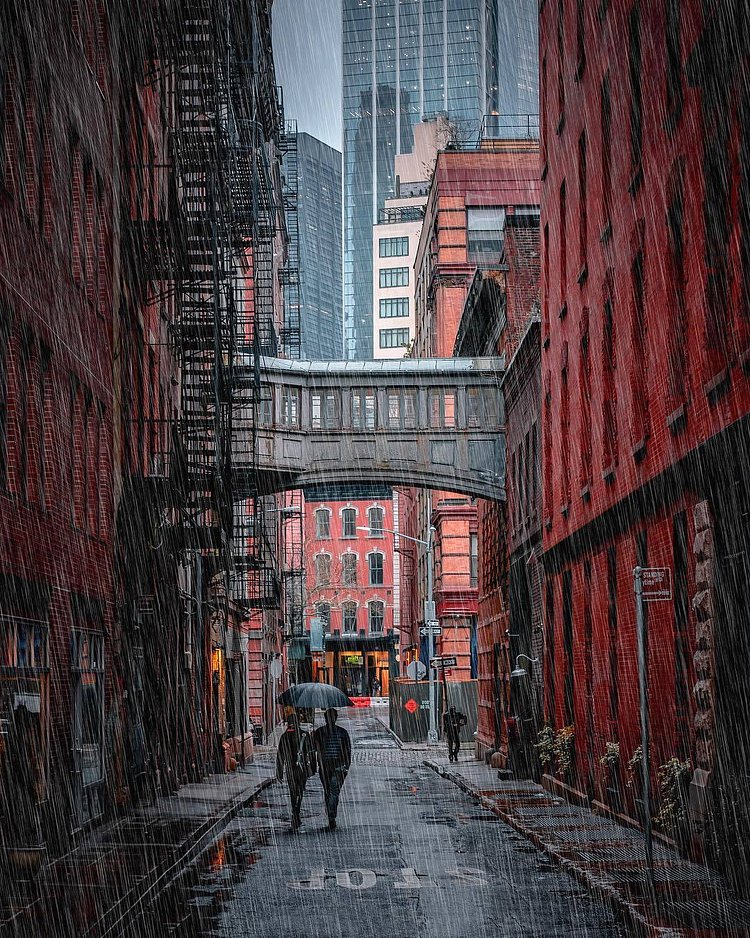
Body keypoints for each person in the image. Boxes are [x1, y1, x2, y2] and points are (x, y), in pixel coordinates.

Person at [313, 708, 351, 830]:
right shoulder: (342, 732)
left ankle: (331, 816)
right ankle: (331, 816)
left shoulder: (320, 732)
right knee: (333, 792)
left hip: (327, 767)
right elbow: (347, 750)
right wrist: (346, 766)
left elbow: (314, 749)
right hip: (335, 766)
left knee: (329, 791)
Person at [276, 713, 315, 831]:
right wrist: (313, 768)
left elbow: (280, 756)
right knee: (300, 790)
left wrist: (279, 772)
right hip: (302, 768)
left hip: (290, 769)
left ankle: (295, 810)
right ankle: (297, 808)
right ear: (298, 722)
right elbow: (311, 752)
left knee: (293, 791)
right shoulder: (305, 734)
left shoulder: (284, 737)